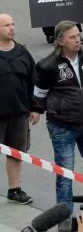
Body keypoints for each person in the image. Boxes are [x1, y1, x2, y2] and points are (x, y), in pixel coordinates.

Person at [34, 21, 83, 208]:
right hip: (62, 128)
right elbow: (39, 93)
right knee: (65, 175)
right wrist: (37, 111)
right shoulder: (47, 65)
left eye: (78, 35)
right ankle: (64, 219)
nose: (78, 40)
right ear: (60, 41)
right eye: (72, 37)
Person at [0, 14, 38, 205]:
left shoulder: (22, 52)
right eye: (7, 25)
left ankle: (14, 190)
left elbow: (33, 81)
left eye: (13, 24)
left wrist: (35, 108)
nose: (12, 28)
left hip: (19, 113)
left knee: (16, 153)